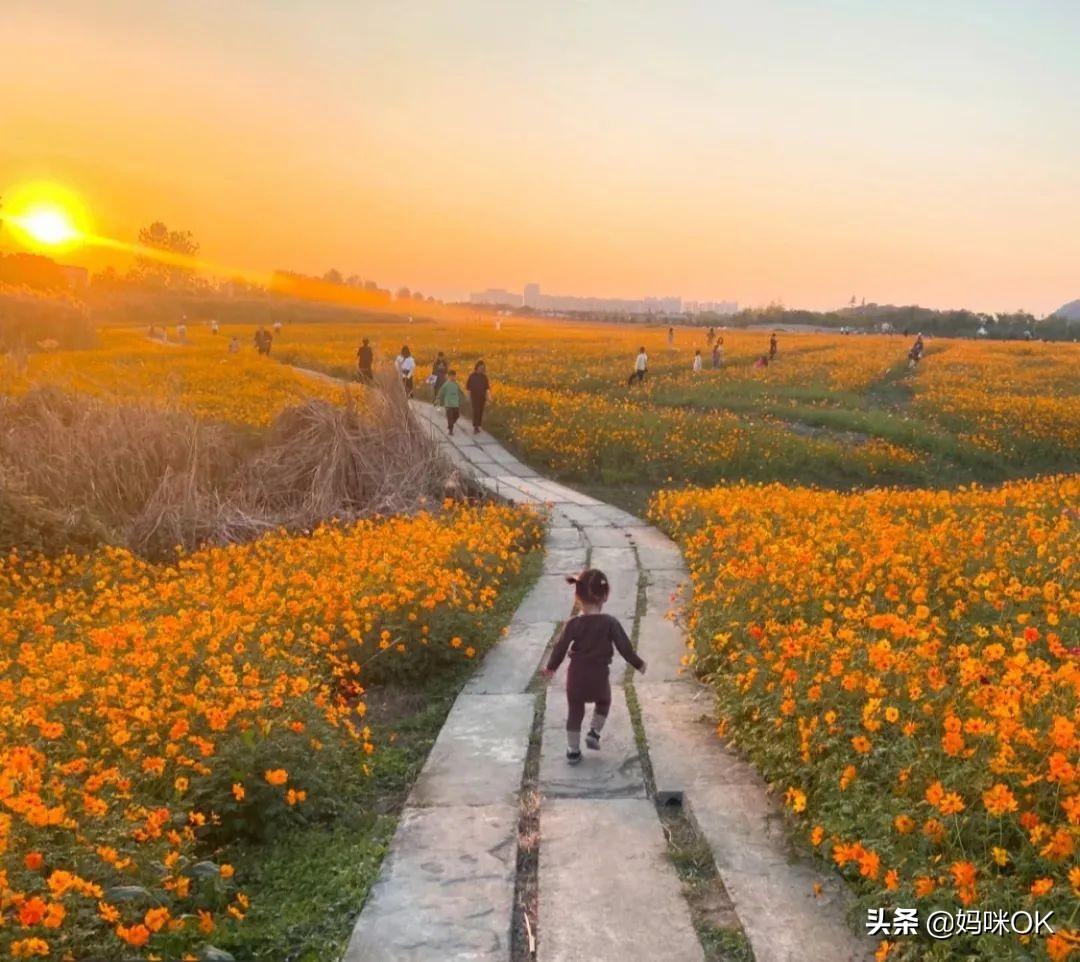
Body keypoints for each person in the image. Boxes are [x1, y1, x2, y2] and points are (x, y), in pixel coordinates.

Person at [543, 569, 646, 765]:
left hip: (576, 678)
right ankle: (594, 732)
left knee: (575, 711)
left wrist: (551, 668)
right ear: (605, 595)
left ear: (577, 595)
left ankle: (573, 751)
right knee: (604, 701)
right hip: (598, 678)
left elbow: (560, 647)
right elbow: (624, 647)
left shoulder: (573, 624)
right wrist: (638, 663)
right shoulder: (609, 622)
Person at [435, 369, 465, 435]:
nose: (453, 377)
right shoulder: (446, 384)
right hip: (448, 404)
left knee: (457, 415)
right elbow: (440, 392)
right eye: (451, 376)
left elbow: (461, 391)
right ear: (448, 376)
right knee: (450, 417)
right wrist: (437, 399)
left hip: (455, 404)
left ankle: (450, 424)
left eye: (454, 376)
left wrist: (464, 395)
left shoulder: (456, 384)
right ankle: (450, 430)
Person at [465, 360, 491, 434]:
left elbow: (487, 388)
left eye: (483, 368)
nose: (481, 369)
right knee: (476, 411)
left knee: (480, 411)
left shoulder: (484, 377)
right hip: (474, 397)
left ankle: (478, 425)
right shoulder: (472, 376)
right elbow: (468, 387)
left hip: (482, 397)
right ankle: (475, 427)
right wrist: (468, 396)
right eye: (480, 367)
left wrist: (489, 397)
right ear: (476, 367)